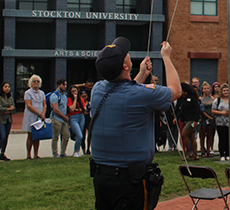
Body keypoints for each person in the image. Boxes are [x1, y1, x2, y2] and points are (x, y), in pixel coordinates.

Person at [91, 37, 181, 210]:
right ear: (125, 67)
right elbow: (175, 91)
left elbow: (123, 92)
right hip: (129, 182)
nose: (128, 53)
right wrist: (167, 58)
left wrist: (141, 75)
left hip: (102, 178)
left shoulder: (98, 89)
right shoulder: (140, 95)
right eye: (125, 53)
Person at [21, 74, 46, 159]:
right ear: (30, 83)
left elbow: (44, 104)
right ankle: (28, 154)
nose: (36, 83)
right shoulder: (28, 93)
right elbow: (29, 105)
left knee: (37, 135)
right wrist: (39, 113)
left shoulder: (41, 93)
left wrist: (43, 113)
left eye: (37, 81)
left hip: (39, 116)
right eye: (34, 81)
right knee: (30, 135)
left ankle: (36, 154)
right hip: (31, 116)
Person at [176, 82, 202, 160]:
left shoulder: (193, 99)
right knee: (192, 137)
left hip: (193, 121)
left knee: (184, 134)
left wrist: (196, 120)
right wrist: (176, 117)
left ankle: (188, 152)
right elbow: (182, 110)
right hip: (187, 120)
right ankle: (195, 155)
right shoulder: (184, 99)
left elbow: (197, 109)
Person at [0, 82, 15, 162]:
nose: (7, 88)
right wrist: (9, 109)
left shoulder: (10, 98)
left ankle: (3, 153)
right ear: (2, 88)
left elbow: (14, 109)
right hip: (0, 120)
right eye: (5, 87)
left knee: (6, 137)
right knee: (3, 136)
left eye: (8, 86)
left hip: (8, 119)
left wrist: (7, 110)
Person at [51, 78, 69, 158]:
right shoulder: (55, 95)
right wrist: (64, 116)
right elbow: (56, 109)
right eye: (63, 85)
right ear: (59, 85)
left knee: (66, 135)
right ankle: (55, 153)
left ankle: (63, 152)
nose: (65, 86)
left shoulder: (64, 95)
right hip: (57, 119)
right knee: (56, 136)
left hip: (64, 119)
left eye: (65, 85)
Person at [67, 85, 86, 157]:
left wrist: (77, 110)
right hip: (73, 118)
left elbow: (84, 109)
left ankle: (77, 151)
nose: (74, 92)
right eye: (72, 91)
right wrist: (75, 99)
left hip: (81, 117)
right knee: (79, 135)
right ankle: (76, 151)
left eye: (75, 91)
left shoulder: (81, 99)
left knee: (80, 135)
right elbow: (71, 109)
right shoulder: (69, 99)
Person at [212, 83, 229, 161]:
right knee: (222, 138)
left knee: (229, 139)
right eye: (224, 90)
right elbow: (213, 110)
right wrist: (222, 113)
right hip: (220, 122)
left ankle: (228, 154)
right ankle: (222, 154)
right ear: (221, 91)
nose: (226, 92)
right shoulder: (217, 100)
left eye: (227, 90)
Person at [199, 82, 214, 157]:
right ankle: (202, 150)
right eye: (205, 88)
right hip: (203, 118)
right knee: (202, 135)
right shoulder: (200, 98)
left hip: (211, 118)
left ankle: (208, 150)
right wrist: (208, 117)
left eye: (207, 88)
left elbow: (213, 108)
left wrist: (212, 117)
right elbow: (201, 110)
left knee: (209, 135)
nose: (206, 90)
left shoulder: (212, 98)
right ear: (202, 90)